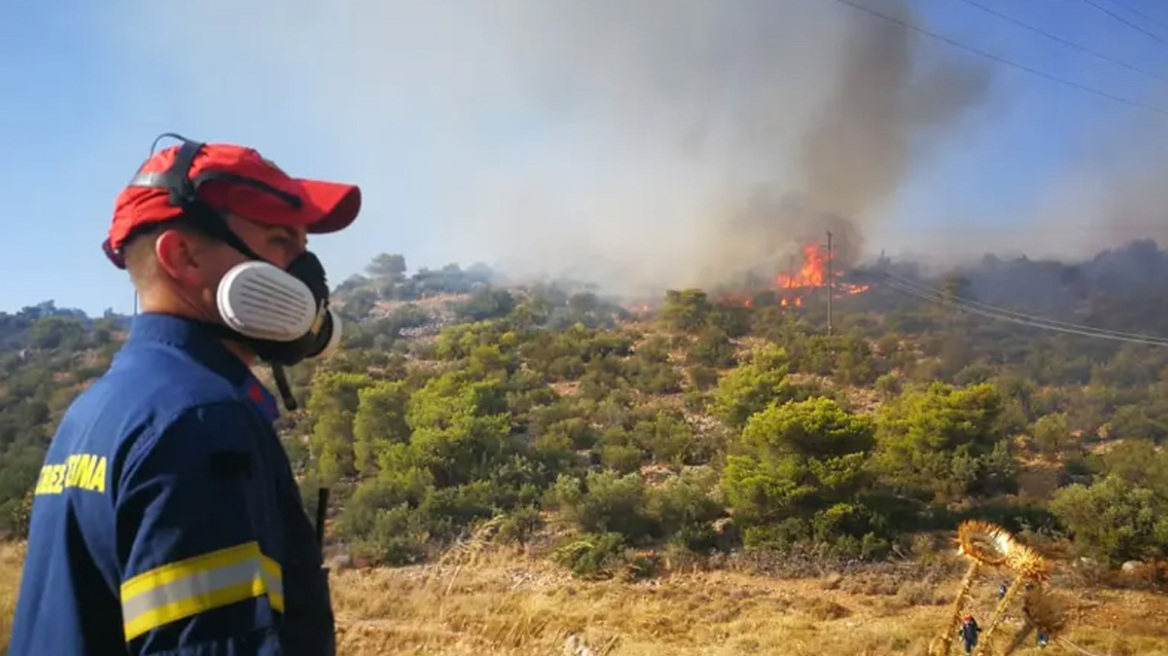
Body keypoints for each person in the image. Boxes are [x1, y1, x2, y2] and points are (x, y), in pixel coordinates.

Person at [8, 134, 362, 655]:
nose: (308, 274)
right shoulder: (200, 422)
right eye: (281, 242)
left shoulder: (98, 409)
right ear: (183, 256)